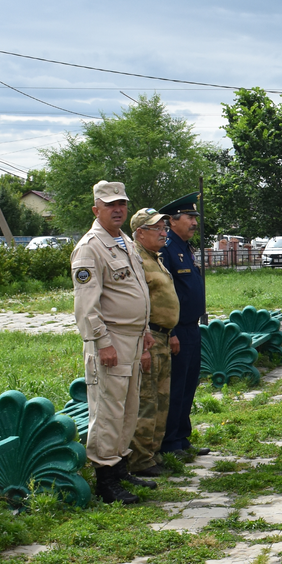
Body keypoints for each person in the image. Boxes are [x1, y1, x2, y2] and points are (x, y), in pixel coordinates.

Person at [71, 181, 154, 505]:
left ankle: (119, 466)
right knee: (107, 410)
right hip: (111, 340)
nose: (118, 209)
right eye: (110, 205)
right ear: (96, 210)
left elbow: (136, 290)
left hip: (132, 338)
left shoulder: (124, 242)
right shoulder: (90, 247)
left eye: (122, 203)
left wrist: (145, 329)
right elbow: (86, 306)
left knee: (127, 408)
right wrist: (102, 342)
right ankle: (105, 479)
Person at [125, 206, 181, 487]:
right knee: (146, 399)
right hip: (147, 339)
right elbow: (138, 304)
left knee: (161, 399)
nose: (163, 232)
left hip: (162, 337)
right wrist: (144, 343)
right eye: (156, 229)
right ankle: (140, 459)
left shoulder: (154, 258)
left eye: (163, 228)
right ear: (139, 233)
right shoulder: (136, 260)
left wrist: (170, 332)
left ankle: (153, 453)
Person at [159, 192, 208, 460]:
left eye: (194, 218)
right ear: (173, 220)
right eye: (189, 217)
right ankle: (170, 443)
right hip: (177, 331)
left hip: (192, 328)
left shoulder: (184, 249)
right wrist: (172, 332)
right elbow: (164, 296)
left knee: (189, 384)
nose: (194, 222)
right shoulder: (166, 249)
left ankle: (182, 436)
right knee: (176, 386)